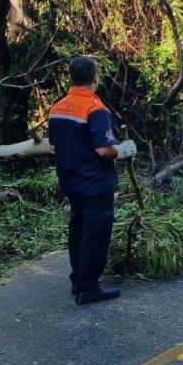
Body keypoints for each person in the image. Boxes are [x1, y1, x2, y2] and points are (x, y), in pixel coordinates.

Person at [48, 56, 137, 304]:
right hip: (95, 183)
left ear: (71, 79)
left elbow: (53, 147)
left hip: (70, 181)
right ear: (95, 78)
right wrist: (124, 149)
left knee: (77, 229)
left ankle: (78, 280)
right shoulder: (95, 109)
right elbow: (104, 150)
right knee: (96, 233)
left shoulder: (58, 108)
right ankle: (89, 288)